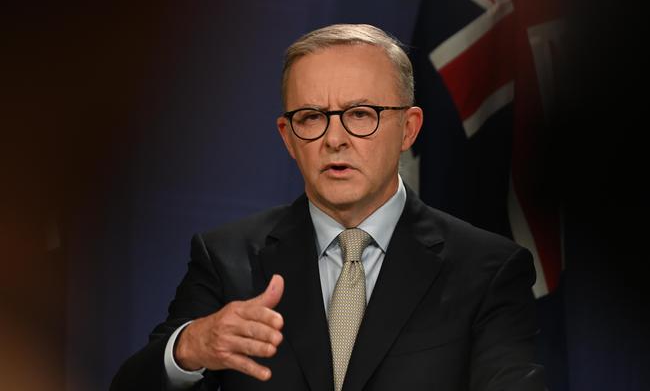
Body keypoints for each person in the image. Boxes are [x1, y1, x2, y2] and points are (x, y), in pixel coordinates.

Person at [111, 24, 544, 391]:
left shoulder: (486, 269)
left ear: (408, 129)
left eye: (360, 114)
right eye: (312, 117)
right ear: (287, 136)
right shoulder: (228, 258)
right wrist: (191, 347)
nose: (334, 139)